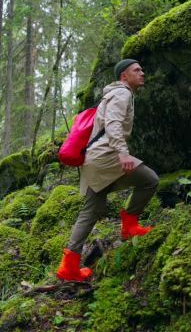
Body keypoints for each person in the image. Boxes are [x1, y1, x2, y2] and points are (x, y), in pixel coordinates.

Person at [56, 59, 160, 282]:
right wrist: (123, 153)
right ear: (124, 76)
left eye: (142, 69)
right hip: (106, 157)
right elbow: (113, 124)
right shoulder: (122, 94)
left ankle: (69, 266)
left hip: (93, 159)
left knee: (91, 211)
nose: (142, 73)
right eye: (137, 70)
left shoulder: (113, 94)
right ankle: (130, 226)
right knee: (149, 180)